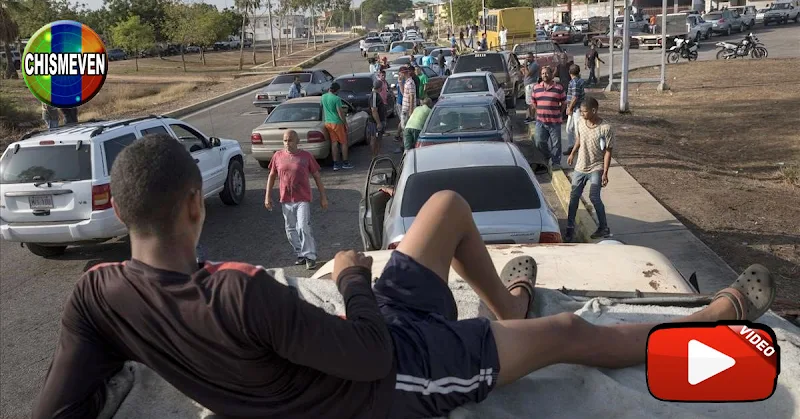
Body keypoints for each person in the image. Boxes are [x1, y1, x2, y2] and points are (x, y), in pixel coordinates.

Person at [32, 132, 777, 418]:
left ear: (127, 214)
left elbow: (56, 407)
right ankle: (709, 322)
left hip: (368, 332)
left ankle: (504, 308)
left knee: (447, 206)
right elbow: (375, 357)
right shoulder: (240, 293)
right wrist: (354, 272)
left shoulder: (96, 296)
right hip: (392, 377)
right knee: (570, 331)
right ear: (196, 203)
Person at [265, 130, 328, 269]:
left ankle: (310, 256)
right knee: (290, 229)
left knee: (303, 226)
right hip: (286, 199)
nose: (287, 143)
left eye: (290, 140)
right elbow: (272, 176)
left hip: (302, 199)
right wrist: (267, 196)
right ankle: (300, 253)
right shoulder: (278, 156)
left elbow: (317, 176)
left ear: (297, 141)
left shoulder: (306, 156)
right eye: (285, 140)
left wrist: (323, 197)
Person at [566, 97, 613, 241]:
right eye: (581, 112)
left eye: (584, 112)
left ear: (594, 110)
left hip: (596, 167)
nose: (582, 114)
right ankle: (569, 228)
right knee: (574, 197)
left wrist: (605, 172)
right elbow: (579, 139)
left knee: (594, 196)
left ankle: (603, 227)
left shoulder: (605, 128)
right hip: (581, 166)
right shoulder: (580, 122)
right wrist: (573, 153)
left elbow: (608, 151)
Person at [532, 66, 566, 170]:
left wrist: (560, 112)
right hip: (540, 121)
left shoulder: (558, 88)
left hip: (554, 121)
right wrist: (539, 111)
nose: (544, 75)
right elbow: (533, 102)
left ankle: (556, 162)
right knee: (539, 141)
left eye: (547, 73)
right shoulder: (536, 87)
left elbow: (564, 102)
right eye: (542, 73)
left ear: (552, 75)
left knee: (556, 144)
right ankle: (547, 156)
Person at [320, 83, 353, 170]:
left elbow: (322, 108)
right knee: (343, 142)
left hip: (328, 122)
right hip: (337, 122)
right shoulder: (336, 99)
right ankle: (345, 162)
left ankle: (336, 164)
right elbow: (340, 112)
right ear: (337, 90)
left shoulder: (323, 97)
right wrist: (345, 123)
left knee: (334, 143)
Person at [564, 64, 586, 156]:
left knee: (577, 129)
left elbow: (575, 97)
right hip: (574, 109)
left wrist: (569, 108)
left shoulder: (575, 82)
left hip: (576, 109)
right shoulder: (578, 81)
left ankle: (579, 147)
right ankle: (572, 146)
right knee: (569, 128)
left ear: (570, 72)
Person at [367, 79, 386, 157]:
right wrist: (378, 123)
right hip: (375, 122)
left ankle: (377, 154)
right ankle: (374, 155)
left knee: (378, 138)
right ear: (380, 87)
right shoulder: (374, 96)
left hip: (377, 121)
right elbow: (374, 110)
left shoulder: (376, 95)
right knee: (375, 138)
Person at [523, 52, 541, 123]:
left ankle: (532, 117)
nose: (527, 59)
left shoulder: (534, 65)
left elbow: (528, 74)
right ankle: (530, 116)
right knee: (528, 102)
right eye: (526, 57)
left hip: (531, 85)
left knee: (531, 102)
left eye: (529, 57)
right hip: (528, 85)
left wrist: (525, 66)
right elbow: (525, 73)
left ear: (533, 57)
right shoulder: (529, 65)